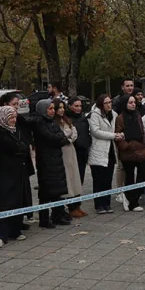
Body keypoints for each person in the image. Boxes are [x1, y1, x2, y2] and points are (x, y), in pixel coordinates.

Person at [0, 106, 30, 248]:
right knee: (4, 202)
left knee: (17, 200)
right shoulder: (1, 133)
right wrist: (20, 147)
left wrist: (21, 147)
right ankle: (0, 234)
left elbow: (25, 146)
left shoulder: (17, 130)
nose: (14, 120)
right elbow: (14, 147)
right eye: (10, 118)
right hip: (5, 172)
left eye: (15, 117)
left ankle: (14, 229)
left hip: (18, 170)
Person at [32, 99, 72, 227]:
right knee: (45, 191)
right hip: (46, 162)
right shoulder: (40, 123)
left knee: (57, 190)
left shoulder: (53, 122)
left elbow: (62, 137)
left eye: (53, 109)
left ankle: (57, 215)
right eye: (49, 109)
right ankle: (44, 219)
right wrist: (59, 138)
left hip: (57, 161)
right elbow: (51, 137)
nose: (52, 111)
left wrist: (60, 138)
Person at [115, 96, 145, 212]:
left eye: (134, 102)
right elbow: (119, 135)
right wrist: (126, 146)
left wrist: (144, 144)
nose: (133, 104)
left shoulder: (138, 115)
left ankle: (136, 195)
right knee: (129, 177)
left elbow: (142, 131)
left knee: (144, 174)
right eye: (130, 102)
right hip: (128, 152)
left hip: (140, 150)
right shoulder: (120, 118)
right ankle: (132, 202)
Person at [88, 94, 119, 214]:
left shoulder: (114, 114)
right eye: (106, 103)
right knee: (98, 179)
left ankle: (107, 203)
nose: (109, 104)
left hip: (110, 150)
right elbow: (96, 132)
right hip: (98, 150)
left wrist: (119, 134)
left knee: (108, 179)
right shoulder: (94, 115)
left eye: (110, 102)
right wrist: (113, 136)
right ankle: (99, 204)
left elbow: (115, 129)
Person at [55, 100, 85, 217]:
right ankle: (69, 207)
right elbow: (62, 134)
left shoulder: (66, 119)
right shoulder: (55, 122)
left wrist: (69, 137)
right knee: (67, 179)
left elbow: (74, 132)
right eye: (59, 108)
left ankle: (76, 205)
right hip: (63, 152)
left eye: (63, 107)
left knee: (74, 178)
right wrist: (68, 135)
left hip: (71, 150)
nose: (62, 110)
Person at [65, 97, 91, 216]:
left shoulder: (83, 118)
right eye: (76, 106)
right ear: (70, 106)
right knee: (72, 180)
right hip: (72, 152)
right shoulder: (66, 119)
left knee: (79, 179)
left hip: (83, 152)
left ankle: (77, 205)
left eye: (80, 106)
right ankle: (71, 207)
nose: (78, 108)